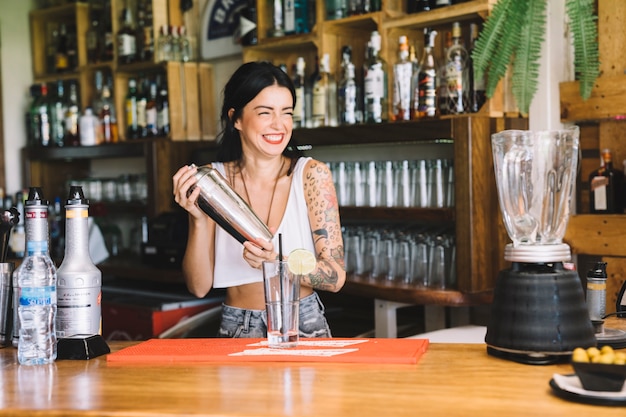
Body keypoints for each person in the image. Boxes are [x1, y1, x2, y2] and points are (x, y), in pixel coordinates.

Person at [172, 61, 346, 338]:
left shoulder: (311, 175)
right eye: (265, 112)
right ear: (236, 118)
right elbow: (198, 286)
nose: (279, 125)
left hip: (302, 321)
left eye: (286, 113)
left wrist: (280, 263)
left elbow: (336, 277)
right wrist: (198, 219)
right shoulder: (212, 182)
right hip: (238, 325)